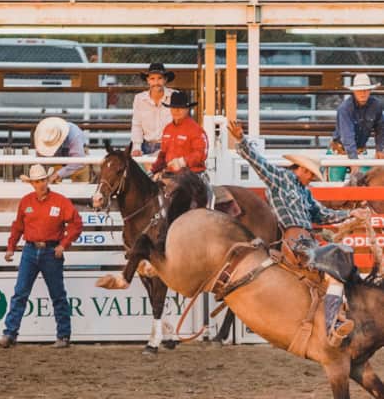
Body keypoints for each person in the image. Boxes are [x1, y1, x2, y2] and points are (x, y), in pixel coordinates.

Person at [228, 119, 368, 348]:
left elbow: (323, 215)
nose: (311, 179)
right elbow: (259, 164)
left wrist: (353, 213)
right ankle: (332, 324)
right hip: (294, 240)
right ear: (301, 169)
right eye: (311, 175)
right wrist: (242, 140)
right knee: (335, 265)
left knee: (340, 263)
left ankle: (336, 319)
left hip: (305, 239)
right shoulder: (281, 179)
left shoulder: (305, 193)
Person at [0, 164, 82, 348]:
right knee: (20, 292)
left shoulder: (60, 201)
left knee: (57, 294)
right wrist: (11, 246)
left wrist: (63, 244)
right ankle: (10, 333)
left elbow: (76, 223)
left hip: (51, 251)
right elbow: (18, 226)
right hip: (30, 250)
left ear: (47, 180)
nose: (41, 184)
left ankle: (63, 335)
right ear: (32, 183)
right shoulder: (26, 202)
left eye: (43, 180)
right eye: (37, 181)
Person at [329, 73, 384, 182]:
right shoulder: (344, 108)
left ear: (369, 91)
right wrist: (354, 161)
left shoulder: (377, 105)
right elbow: (347, 136)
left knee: (366, 181)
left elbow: (380, 127)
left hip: (359, 150)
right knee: (335, 183)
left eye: (365, 90)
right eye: (359, 90)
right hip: (340, 150)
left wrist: (380, 148)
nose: (362, 93)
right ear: (354, 91)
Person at [151, 90, 208, 177]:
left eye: (180, 108)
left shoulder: (196, 129)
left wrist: (182, 162)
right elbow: (163, 153)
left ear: (187, 109)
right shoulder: (167, 129)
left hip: (191, 175)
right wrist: (156, 168)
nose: (176, 111)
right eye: (173, 107)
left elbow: (201, 153)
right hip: (170, 174)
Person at [131, 62, 175, 157]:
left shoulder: (174, 96)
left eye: (159, 78)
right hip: (145, 146)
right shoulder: (139, 99)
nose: (156, 83)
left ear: (165, 80)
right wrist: (136, 147)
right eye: (152, 78)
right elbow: (137, 125)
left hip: (168, 147)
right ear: (148, 80)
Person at [34, 117, 88, 182]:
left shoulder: (74, 134)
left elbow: (79, 161)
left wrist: (57, 174)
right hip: (56, 160)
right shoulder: (44, 135)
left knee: (82, 185)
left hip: (78, 161)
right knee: (51, 183)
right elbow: (40, 156)